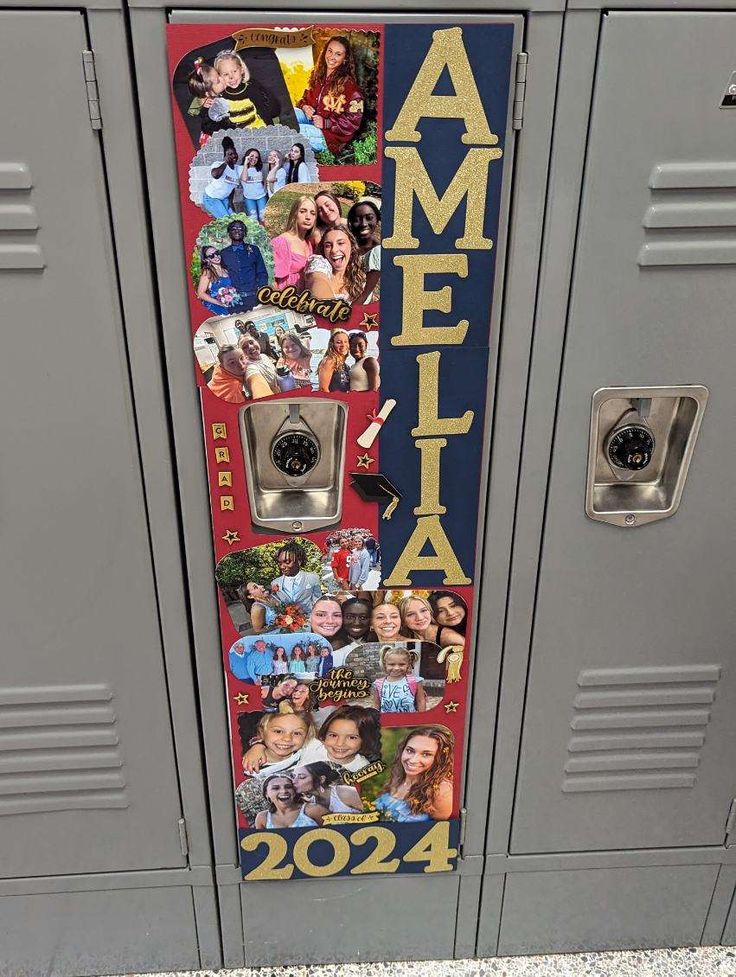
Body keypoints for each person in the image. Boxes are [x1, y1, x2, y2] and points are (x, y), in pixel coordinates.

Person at [296, 36, 364, 156]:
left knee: (293, 131)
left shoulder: (350, 87)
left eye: (338, 54)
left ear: (345, 59)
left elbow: (353, 122)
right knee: (289, 115)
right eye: (330, 51)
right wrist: (305, 106)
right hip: (312, 122)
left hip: (329, 138)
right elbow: (304, 99)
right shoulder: (318, 76)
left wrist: (327, 123)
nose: (332, 57)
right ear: (325, 51)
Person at [374, 727, 454, 822]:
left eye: (426, 754)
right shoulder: (399, 775)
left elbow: (444, 832)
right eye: (410, 751)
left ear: (439, 759)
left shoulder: (441, 790)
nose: (412, 760)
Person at [213, 50, 278, 129]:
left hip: (259, 128)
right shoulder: (221, 94)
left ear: (242, 69)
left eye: (234, 71)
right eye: (225, 74)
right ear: (219, 76)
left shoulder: (251, 88)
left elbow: (264, 112)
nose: (231, 77)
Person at [306, 227, 365, 303]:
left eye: (340, 243)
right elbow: (317, 279)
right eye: (328, 246)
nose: (334, 250)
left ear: (352, 247)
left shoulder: (358, 280)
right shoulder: (319, 263)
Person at [219, 220, 268, 312]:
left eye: (240, 229)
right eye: (234, 229)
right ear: (229, 233)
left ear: (244, 233)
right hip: (234, 301)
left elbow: (262, 272)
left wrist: (261, 291)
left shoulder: (254, 249)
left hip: (254, 298)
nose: (237, 231)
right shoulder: (224, 253)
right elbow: (222, 275)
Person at [271, 196, 316, 290]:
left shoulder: (309, 242)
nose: (308, 217)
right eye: (303, 211)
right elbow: (271, 280)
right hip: (287, 297)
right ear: (295, 213)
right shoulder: (281, 242)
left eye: (313, 213)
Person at [253, 774, 328, 829]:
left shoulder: (313, 810)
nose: (284, 791)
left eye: (288, 787)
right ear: (266, 794)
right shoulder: (263, 818)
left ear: (294, 791)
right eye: (276, 788)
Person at [371, 646, 427, 713]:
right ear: (385, 664)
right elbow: (376, 704)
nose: (397, 668)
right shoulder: (378, 684)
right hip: (387, 721)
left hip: (410, 720)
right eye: (392, 664)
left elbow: (420, 701)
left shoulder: (415, 681)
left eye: (401, 664)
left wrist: (422, 718)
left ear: (408, 665)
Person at [187, 57, 229, 146]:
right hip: (215, 137)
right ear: (208, 93)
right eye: (218, 81)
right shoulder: (209, 106)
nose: (223, 79)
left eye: (219, 74)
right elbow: (207, 125)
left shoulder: (221, 92)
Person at [291, 763, 363, 815]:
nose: (294, 781)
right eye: (293, 776)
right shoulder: (311, 803)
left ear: (321, 779)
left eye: (302, 777)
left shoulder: (345, 793)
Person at [270, 541, 322, 613]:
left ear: (299, 561)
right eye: (280, 563)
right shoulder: (275, 583)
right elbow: (276, 605)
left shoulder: (313, 578)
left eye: (287, 562)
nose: (282, 567)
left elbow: (318, 603)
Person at [399, 595, 465, 649]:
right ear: (402, 619)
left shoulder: (450, 637)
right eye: (410, 614)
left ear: (430, 612)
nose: (420, 618)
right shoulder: (404, 633)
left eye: (423, 610)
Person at [347, 199, 381, 304]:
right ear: (351, 223)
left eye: (369, 218)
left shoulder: (376, 252)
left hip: (355, 303)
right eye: (357, 219)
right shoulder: (349, 243)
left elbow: (365, 293)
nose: (363, 224)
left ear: (377, 220)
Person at [202, 136, 242, 218]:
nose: (234, 156)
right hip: (211, 197)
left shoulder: (237, 169)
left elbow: (231, 190)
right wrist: (226, 162)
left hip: (224, 199)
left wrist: (231, 207)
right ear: (225, 156)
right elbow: (215, 175)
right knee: (226, 221)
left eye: (235, 153)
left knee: (234, 218)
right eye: (230, 154)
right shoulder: (218, 164)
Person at [197, 247, 241, 314]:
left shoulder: (226, 270)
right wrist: (218, 303)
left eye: (217, 253)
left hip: (230, 305)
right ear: (207, 259)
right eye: (211, 256)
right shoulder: (207, 272)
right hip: (216, 307)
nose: (216, 256)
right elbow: (200, 293)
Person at [240, 148, 267, 222]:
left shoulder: (260, 168)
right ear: (247, 156)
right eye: (252, 156)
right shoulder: (241, 168)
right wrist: (246, 163)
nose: (254, 159)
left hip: (261, 196)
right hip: (249, 198)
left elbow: (264, 181)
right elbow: (244, 179)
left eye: (256, 157)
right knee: (253, 219)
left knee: (263, 217)